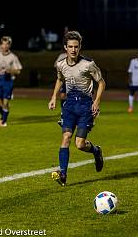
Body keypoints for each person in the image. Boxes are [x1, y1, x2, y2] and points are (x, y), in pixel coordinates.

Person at [48, 31, 106, 186]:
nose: (73, 50)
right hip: (69, 106)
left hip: (85, 106)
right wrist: (54, 97)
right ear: (65, 48)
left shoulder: (88, 64)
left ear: (80, 47)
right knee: (66, 138)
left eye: (76, 47)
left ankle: (96, 151)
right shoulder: (61, 65)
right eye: (70, 47)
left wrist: (97, 101)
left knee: (80, 144)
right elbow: (60, 80)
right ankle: (63, 174)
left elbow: (101, 82)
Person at [54, 52, 67, 126]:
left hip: (75, 82)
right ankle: (63, 114)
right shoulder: (62, 56)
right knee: (62, 95)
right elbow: (56, 65)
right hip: (65, 80)